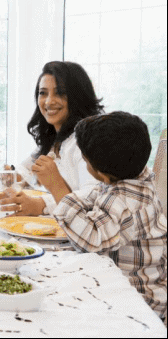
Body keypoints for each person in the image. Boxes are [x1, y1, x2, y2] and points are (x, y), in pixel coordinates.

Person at [51, 111, 167, 324]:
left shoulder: (121, 200)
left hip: (137, 302)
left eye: (85, 161)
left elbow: (92, 241)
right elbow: (94, 194)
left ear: (101, 173)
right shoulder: (139, 180)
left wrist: (60, 193)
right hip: (144, 290)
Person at [0, 61, 104, 216]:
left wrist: (40, 205)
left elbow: (92, 200)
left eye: (60, 93)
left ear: (78, 96)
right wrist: (11, 176)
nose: (48, 101)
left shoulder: (88, 140)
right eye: (43, 93)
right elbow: (26, 169)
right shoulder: (55, 137)